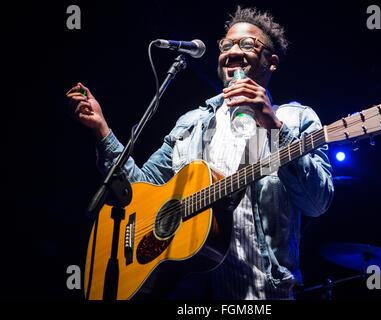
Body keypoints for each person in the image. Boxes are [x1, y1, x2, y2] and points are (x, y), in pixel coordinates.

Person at [67, 6, 334, 300]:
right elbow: (137, 191)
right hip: (192, 292)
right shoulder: (190, 124)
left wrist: (273, 124)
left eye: (247, 44)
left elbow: (317, 202)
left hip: (266, 295)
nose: (233, 51)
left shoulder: (296, 119)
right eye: (226, 44)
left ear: (271, 62)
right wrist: (102, 129)